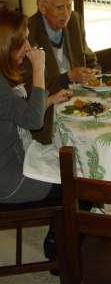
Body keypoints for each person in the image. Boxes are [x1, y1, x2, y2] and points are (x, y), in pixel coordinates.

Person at [0, 10, 70, 204]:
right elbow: (33, 121)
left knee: (69, 161)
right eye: (24, 42)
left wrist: (48, 100)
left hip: (14, 162)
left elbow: (14, 114)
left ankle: (57, 231)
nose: (29, 48)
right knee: (79, 182)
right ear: (7, 46)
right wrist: (39, 68)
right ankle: (66, 231)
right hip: (10, 179)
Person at [25, 0, 99, 144]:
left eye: (69, 5)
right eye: (59, 7)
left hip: (80, 97)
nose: (66, 13)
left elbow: (89, 57)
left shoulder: (74, 20)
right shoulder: (28, 33)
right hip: (49, 110)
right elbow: (32, 89)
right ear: (42, 7)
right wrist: (68, 77)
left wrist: (94, 72)